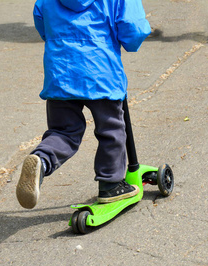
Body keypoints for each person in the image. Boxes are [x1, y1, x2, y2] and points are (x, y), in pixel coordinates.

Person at [16, 0, 151, 209]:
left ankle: (41, 160)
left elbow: (41, 21)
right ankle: (111, 184)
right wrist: (127, 42)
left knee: (63, 132)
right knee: (111, 130)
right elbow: (133, 30)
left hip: (61, 73)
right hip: (100, 73)